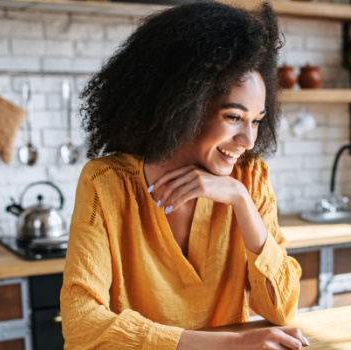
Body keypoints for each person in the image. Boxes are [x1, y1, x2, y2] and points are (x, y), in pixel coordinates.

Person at [60, 2, 308, 349]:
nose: (248, 140)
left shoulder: (250, 178)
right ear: (184, 106)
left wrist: (240, 200)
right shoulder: (106, 184)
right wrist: (228, 345)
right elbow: (81, 324)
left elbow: (281, 308)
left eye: (256, 120)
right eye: (234, 117)